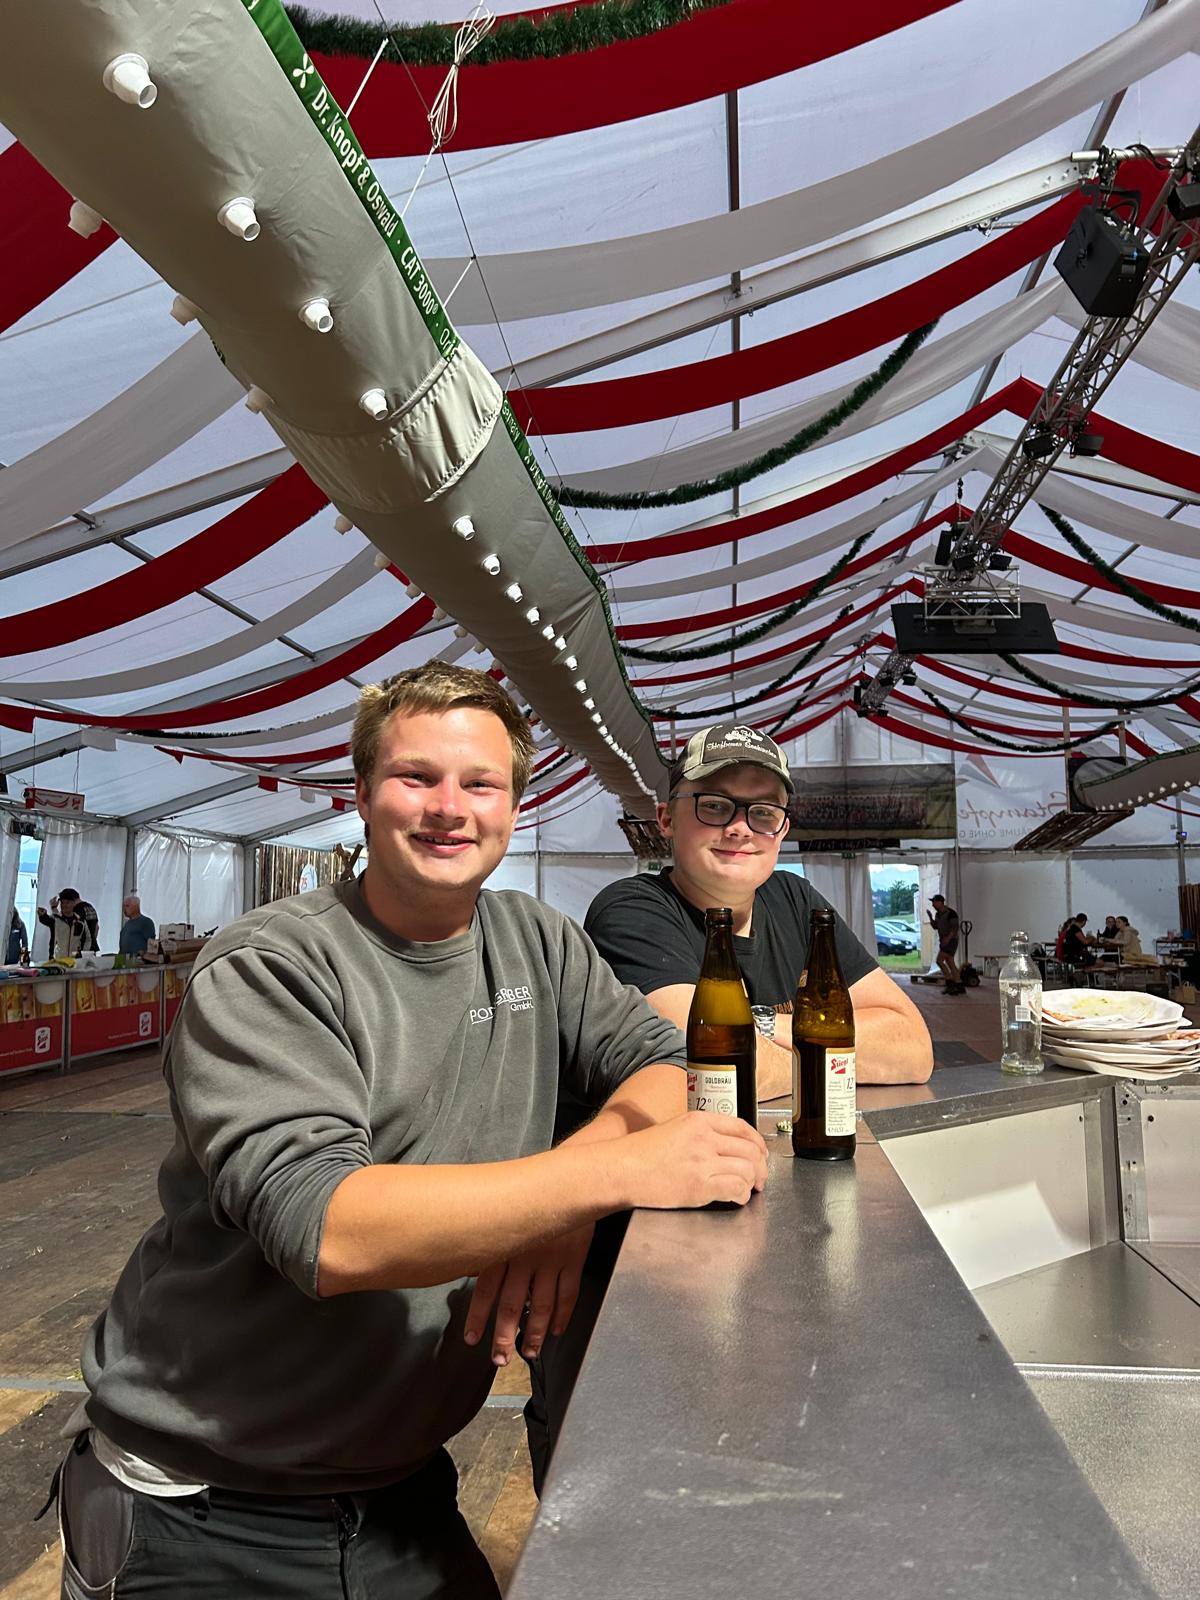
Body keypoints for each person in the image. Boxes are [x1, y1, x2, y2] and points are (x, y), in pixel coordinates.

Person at [48, 662, 768, 1600]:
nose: (449, 808)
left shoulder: (537, 940)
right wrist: (607, 1178)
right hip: (205, 1503)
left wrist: (565, 1204)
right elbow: (328, 1228)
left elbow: (671, 1064)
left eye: (481, 783)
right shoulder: (273, 963)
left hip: (400, 1485)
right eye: (416, 777)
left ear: (514, 806)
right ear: (361, 795)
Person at [585, 725, 933, 1095]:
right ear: (667, 819)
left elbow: (913, 1049)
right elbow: (720, 1070)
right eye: (714, 805)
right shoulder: (631, 912)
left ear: (783, 830)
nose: (740, 829)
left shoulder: (795, 900)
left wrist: (765, 1026)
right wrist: (830, 1044)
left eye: (764, 812)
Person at [36, 888, 100, 954]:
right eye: (62, 903)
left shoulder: (78, 912)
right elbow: (97, 928)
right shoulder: (90, 907)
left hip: (76, 954)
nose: (64, 905)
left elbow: (59, 920)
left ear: (73, 902)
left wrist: (83, 952)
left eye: (67, 902)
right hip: (90, 949)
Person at [928, 894, 963, 994]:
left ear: (940, 902)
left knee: (939, 961)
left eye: (934, 902)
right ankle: (959, 985)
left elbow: (955, 927)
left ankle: (950, 983)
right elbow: (935, 926)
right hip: (943, 940)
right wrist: (930, 918)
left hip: (951, 941)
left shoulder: (951, 913)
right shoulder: (938, 914)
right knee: (950, 962)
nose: (933, 904)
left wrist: (948, 938)